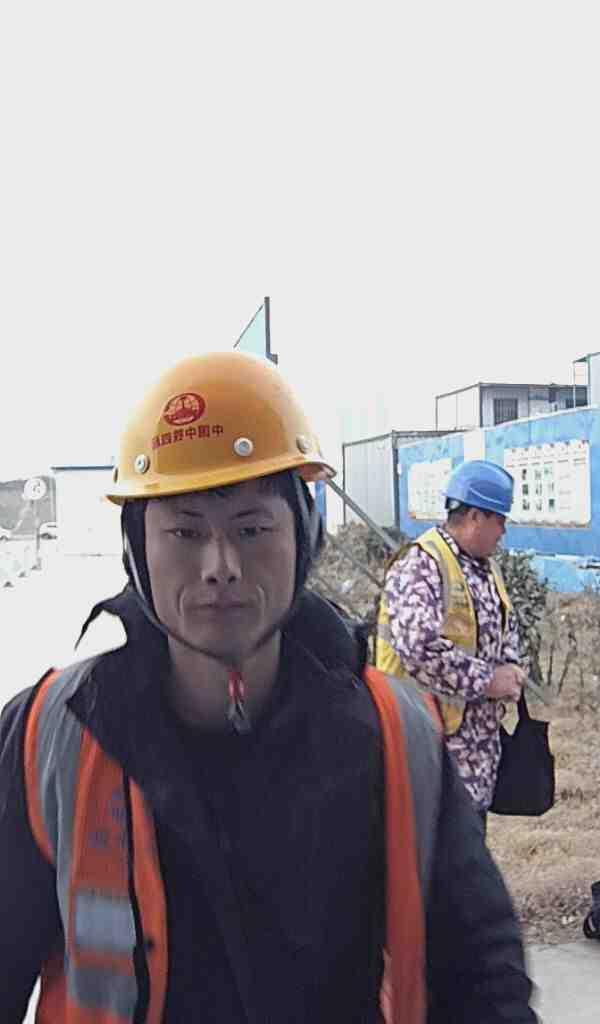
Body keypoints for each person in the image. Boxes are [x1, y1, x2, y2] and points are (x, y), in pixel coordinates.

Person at [0, 355, 537, 1023]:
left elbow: (483, 976)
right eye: (184, 531)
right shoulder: (52, 738)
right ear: (137, 549)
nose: (220, 565)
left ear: (303, 536)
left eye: (252, 529)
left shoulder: (395, 736)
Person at [376, 459, 525, 825]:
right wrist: (487, 680)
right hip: (426, 753)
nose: (503, 531)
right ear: (474, 516)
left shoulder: (485, 567)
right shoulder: (422, 565)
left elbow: (505, 626)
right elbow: (418, 646)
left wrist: (511, 668)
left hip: (474, 761)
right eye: (499, 520)